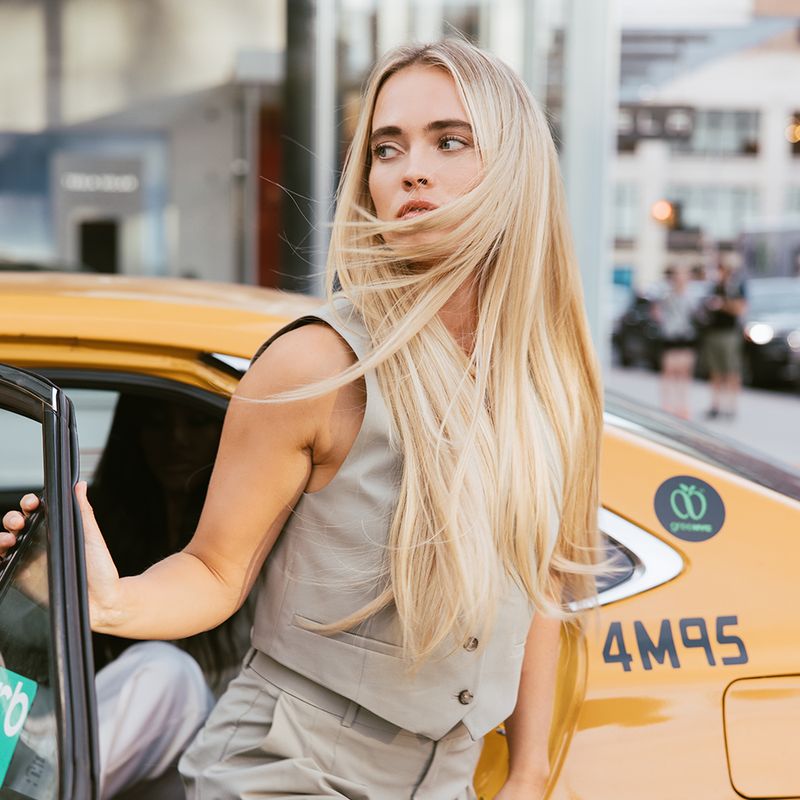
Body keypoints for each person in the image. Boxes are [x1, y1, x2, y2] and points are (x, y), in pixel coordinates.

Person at [3, 39, 602, 799]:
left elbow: (542, 587)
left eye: (449, 141)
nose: (410, 169)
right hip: (286, 771)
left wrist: (528, 771)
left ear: (517, 166)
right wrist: (111, 601)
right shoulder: (317, 364)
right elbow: (215, 569)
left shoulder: (547, 384)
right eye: (387, 148)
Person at [701, 261, 747, 419]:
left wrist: (722, 305)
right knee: (715, 371)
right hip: (713, 332)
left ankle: (731, 406)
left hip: (729, 334)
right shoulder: (714, 288)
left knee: (731, 371)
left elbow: (740, 309)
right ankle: (716, 405)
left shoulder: (735, 287)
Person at [652, 266, 698, 419]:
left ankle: (682, 406)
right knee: (669, 371)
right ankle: (667, 405)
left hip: (685, 337)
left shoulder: (691, 297)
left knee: (684, 372)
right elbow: (657, 313)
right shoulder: (667, 296)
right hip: (671, 337)